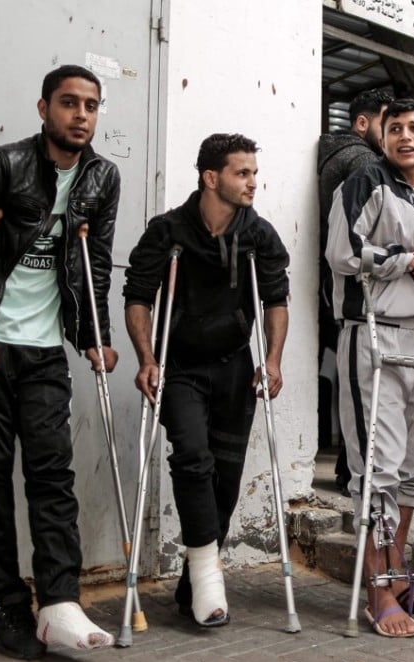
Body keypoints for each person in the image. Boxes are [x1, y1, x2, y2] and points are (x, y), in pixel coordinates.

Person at [0, 64, 120, 658]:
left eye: (91, 105)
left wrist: (94, 335)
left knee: (53, 476)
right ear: (44, 107)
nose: (81, 115)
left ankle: (59, 602)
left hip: (47, 349)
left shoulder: (102, 177)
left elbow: (96, 262)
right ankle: (7, 606)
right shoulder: (5, 164)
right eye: (69, 103)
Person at [124, 133, 290, 629]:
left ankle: (194, 583)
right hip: (181, 367)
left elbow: (275, 300)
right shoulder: (168, 231)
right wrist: (147, 357)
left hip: (235, 366)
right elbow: (138, 296)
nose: (253, 183)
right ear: (211, 178)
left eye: (254, 173)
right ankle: (208, 580)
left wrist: (273, 359)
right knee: (193, 458)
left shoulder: (259, 235)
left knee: (226, 480)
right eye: (243, 173)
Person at [326, 98, 414, 637]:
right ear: (381, 137)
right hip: (373, 336)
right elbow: (342, 252)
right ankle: (377, 591)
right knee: (376, 467)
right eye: (395, 127)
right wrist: (408, 259)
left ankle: (397, 576)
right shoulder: (363, 182)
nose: (405, 136)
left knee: (411, 469)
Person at [317, 88, 392, 490]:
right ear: (362, 123)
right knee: (363, 380)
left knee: (345, 374)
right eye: (387, 124)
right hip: (355, 284)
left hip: (329, 281)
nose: (395, 134)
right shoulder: (363, 162)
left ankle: (348, 466)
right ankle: (356, 471)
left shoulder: (332, 153)